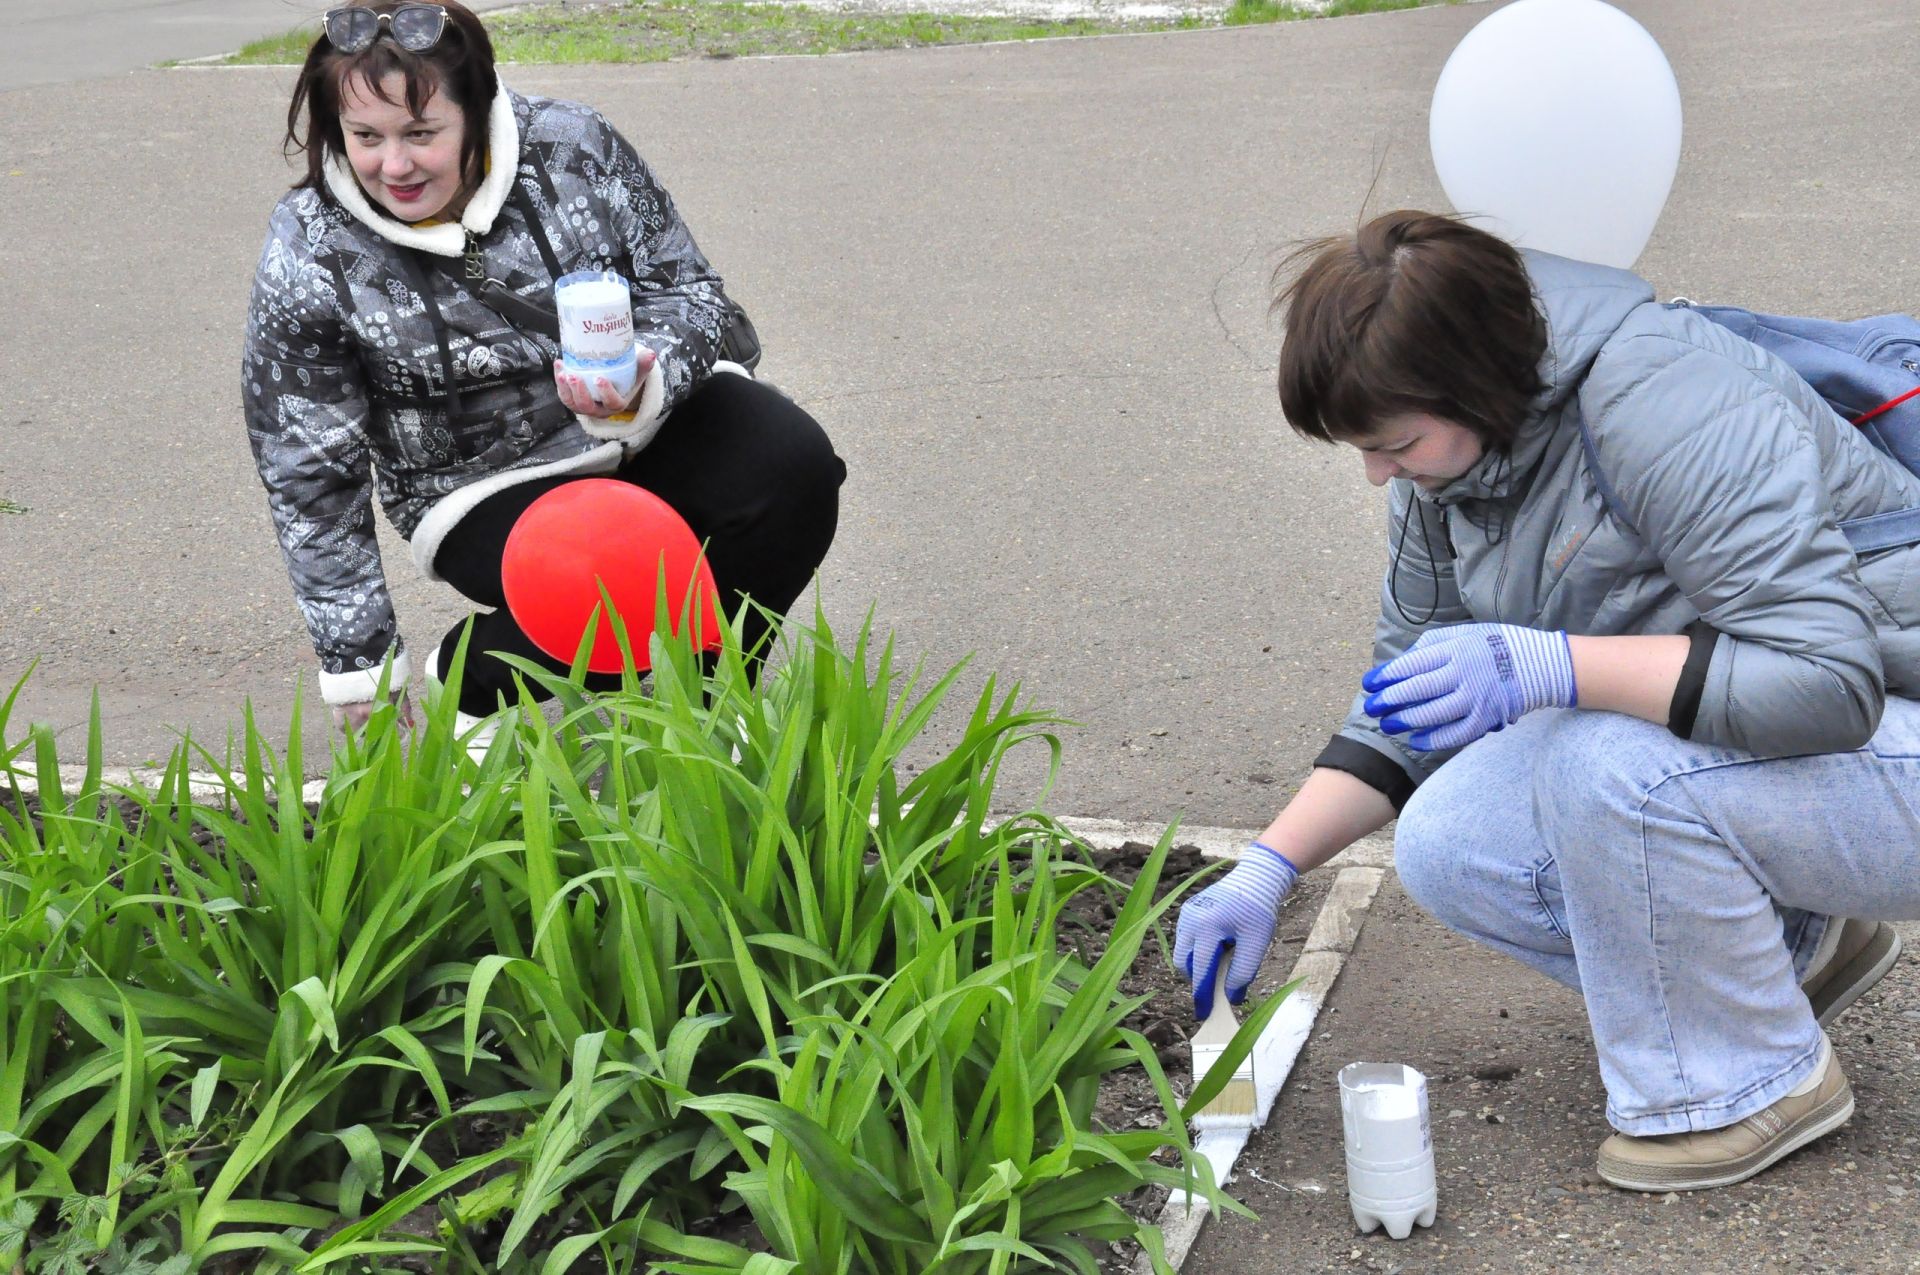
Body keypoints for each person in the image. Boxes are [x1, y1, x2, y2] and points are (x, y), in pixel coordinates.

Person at [1174, 209, 1920, 1192]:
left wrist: (1559, 668)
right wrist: (1270, 869)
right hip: (1787, 753)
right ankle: (1786, 956)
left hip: (1885, 727)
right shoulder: (1451, 464)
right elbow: (1411, 698)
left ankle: (1750, 1088)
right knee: (1450, 833)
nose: (1375, 472)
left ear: (1475, 382)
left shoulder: (1671, 402)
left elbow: (1827, 686)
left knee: (1602, 765)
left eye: (1391, 442)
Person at [243, 1, 844, 740]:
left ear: (478, 107)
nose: (392, 165)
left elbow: (689, 289)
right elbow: (306, 465)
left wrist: (643, 378)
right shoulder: (309, 246)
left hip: (637, 418)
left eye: (422, 133)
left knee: (793, 470)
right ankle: (476, 679)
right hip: (478, 483)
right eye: (366, 136)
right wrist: (362, 657)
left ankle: (713, 705)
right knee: (617, 568)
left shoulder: (572, 145)